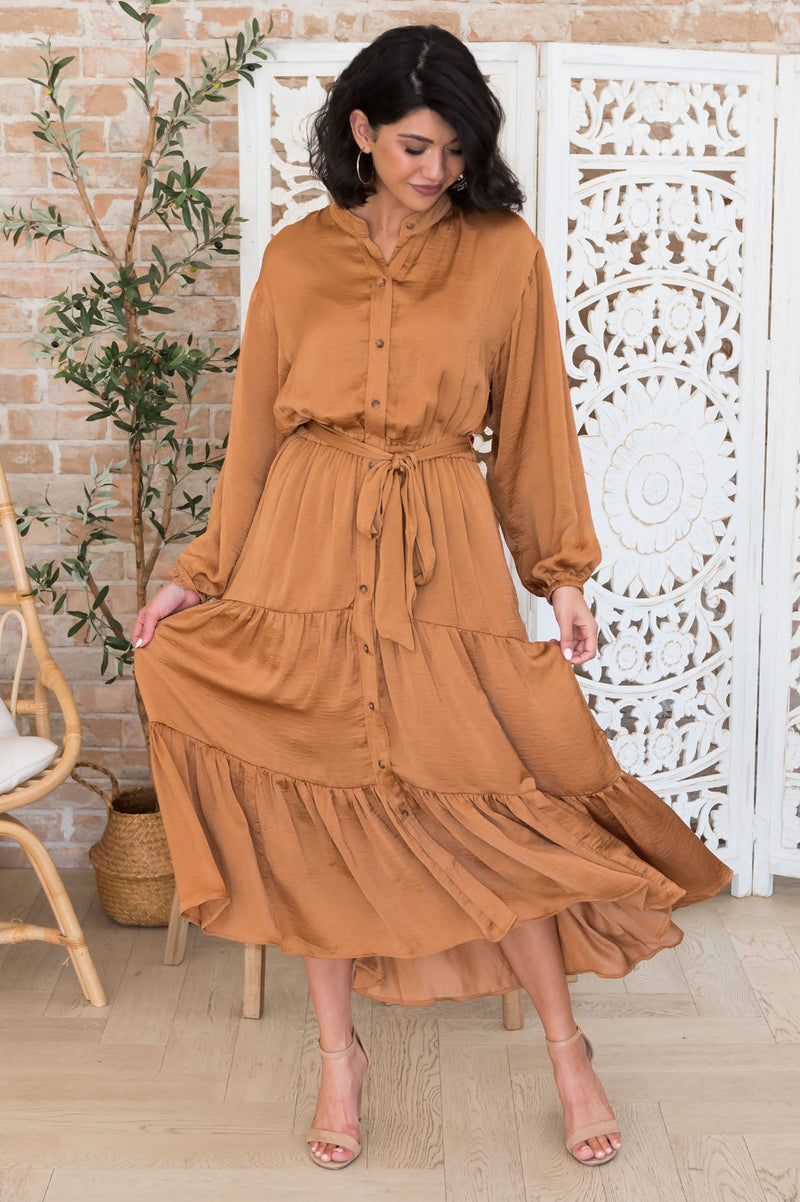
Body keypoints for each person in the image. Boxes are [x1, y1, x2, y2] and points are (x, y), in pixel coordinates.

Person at [132, 24, 734, 1173]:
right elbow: (253, 440)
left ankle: (567, 1049)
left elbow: (535, 427)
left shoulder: (504, 255)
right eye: (415, 146)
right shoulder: (295, 259)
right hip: (303, 544)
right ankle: (337, 1057)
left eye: (455, 150)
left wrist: (559, 575)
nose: (435, 169)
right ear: (361, 132)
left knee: (489, 794)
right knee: (313, 794)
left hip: (440, 549)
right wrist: (193, 577)